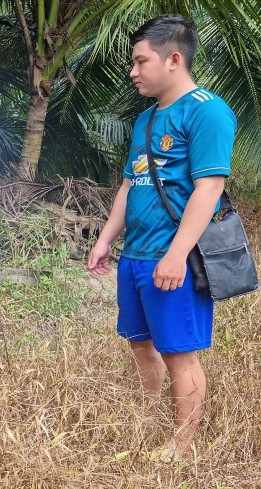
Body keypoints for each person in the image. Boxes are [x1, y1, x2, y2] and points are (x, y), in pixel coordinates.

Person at [87, 15, 236, 460]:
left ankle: (181, 446)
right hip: (135, 255)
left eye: (140, 61)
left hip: (174, 259)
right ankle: (151, 422)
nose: (133, 71)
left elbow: (209, 188)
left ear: (173, 59)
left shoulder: (207, 111)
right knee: (139, 342)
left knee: (179, 353)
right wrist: (104, 240)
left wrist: (175, 255)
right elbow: (131, 184)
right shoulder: (146, 120)